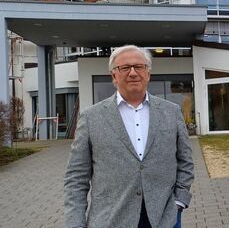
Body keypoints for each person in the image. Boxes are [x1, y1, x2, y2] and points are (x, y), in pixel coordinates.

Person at [64, 45, 194, 228]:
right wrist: (75, 224)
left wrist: (179, 201)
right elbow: (76, 178)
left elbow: (185, 162)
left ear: (148, 73)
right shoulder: (91, 117)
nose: (133, 73)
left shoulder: (171, 112)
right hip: (111, 221)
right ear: (113, 76)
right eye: (124, 68)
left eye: (139, 67)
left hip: (164, 219)